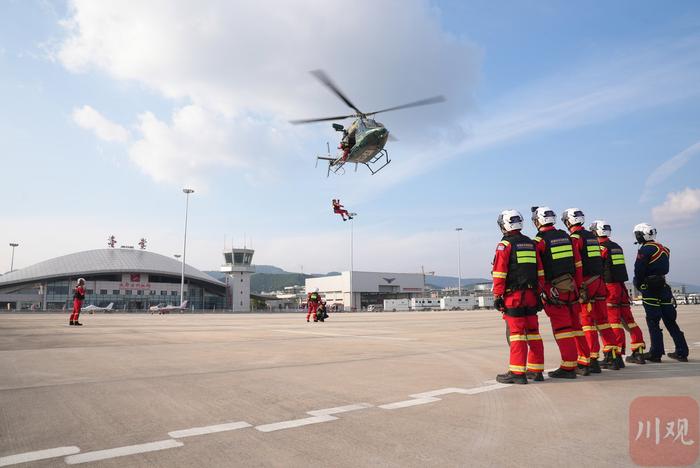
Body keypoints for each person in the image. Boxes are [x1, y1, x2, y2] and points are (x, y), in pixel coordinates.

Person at [562, 208, 623, 371]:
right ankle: (614, 356)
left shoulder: (575, 238)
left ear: (568, 221)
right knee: (603, 321)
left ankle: (592, 359)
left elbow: (576, 263)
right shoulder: (593, 238)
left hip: (586, 284)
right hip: (599, 283)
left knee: (587, 323)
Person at [492, 210, 545, 384]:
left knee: (516, 334)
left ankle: (517, 373)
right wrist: (539, 292)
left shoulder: (504, 245)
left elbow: (499, 273)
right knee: (533, 333)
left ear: (505, 225)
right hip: (531, 294)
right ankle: (536, 371)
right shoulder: (530, 243)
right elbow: (540, 271)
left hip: (514, 296)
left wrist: (498, 295)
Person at [531, 206, 581, 379]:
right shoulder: (567, 237)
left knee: (562, 328)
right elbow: (577, 264)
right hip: (571, 286)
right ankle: (581, 361)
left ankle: (568, 367)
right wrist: (578, 286)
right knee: (575, 326)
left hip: (553, 289)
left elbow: (538, 270)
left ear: (538, 221)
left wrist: (540, 291)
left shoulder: (539, 241)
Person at [591, 220, 646, 364]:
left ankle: (615, 355)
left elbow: (597, 268)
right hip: (621, 288)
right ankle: (638, 350)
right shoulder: (617, 247)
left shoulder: (600, 248)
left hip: (610, 288)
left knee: (613, 322)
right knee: (629, 321)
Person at [633, 223, 689, 362]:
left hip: (650, 288)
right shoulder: (664, 249)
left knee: (653, 321)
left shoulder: (645, 250)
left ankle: (656, 353)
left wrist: (638, 284)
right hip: (663, 287)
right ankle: (682, 351)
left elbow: (639, 270)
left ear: (641, 235)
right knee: (670, 321)